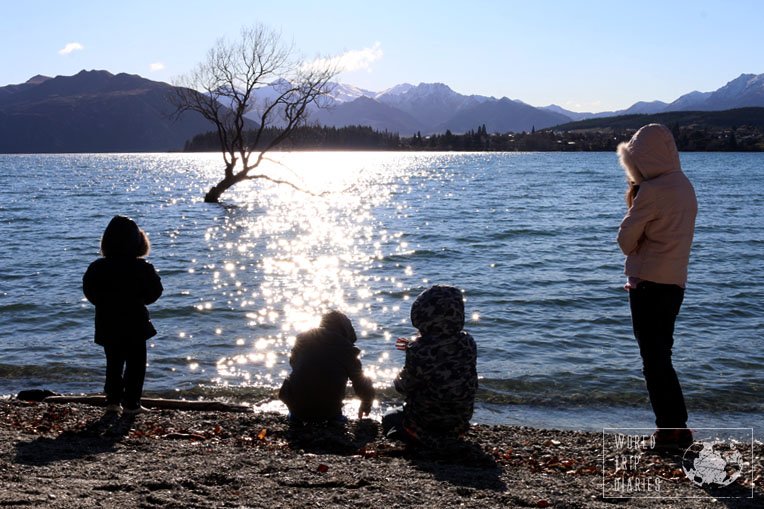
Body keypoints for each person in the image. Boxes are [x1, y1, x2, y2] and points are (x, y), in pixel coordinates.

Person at [616, 124, 697, 449]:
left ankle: (668, 431)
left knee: (654, 361)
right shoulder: (684, 186)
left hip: (648, 284)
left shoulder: (652, 190)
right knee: (662, 355)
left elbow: (625, 241)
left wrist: (635, 200)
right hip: (675, 283)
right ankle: (678, 427)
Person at [83, 215, 163, 414]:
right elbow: (155, 292)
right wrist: (140, 300)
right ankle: (132, 403)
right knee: (136, 364)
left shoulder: (97, 267)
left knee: (113, 362)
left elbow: (89, 291)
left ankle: (112, 401)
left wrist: (103, 303)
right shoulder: (142, 267)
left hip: (107, 321)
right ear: (138, 242)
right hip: (135, 322)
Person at [383, 285, 478, 447]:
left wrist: (410, 355)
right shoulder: (468, 342)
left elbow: (403, 386)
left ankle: (413, 438)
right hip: (459, 422)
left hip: (427, 422)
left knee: (389, 417)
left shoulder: (419, 350)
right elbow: (444, 354)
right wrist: (414, 347)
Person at [279, 311, 375, 423]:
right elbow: (361, 383)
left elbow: (293, 364)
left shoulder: (301, 339)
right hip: (328, 411)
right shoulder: (348, 350)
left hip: (296, 406)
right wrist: (366, 404)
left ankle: (295, 416)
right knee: (363, 378)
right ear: (345, 329)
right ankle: (333, 419)